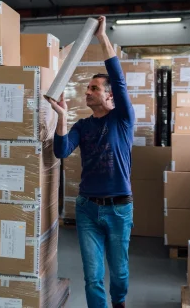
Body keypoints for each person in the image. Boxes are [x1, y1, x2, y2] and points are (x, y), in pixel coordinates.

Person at [48, 16, 134, 308]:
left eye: (94, 88)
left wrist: (102, 37)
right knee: (93, 276)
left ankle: (119, 301)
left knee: (119, 272)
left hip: (119, 208)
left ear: (109, 95)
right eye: (88, 88)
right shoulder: (82, 126)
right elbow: (61, 151)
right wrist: (61, 117)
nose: (87, 91)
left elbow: (119, 79)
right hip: (86, 209)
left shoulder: (123, 119)